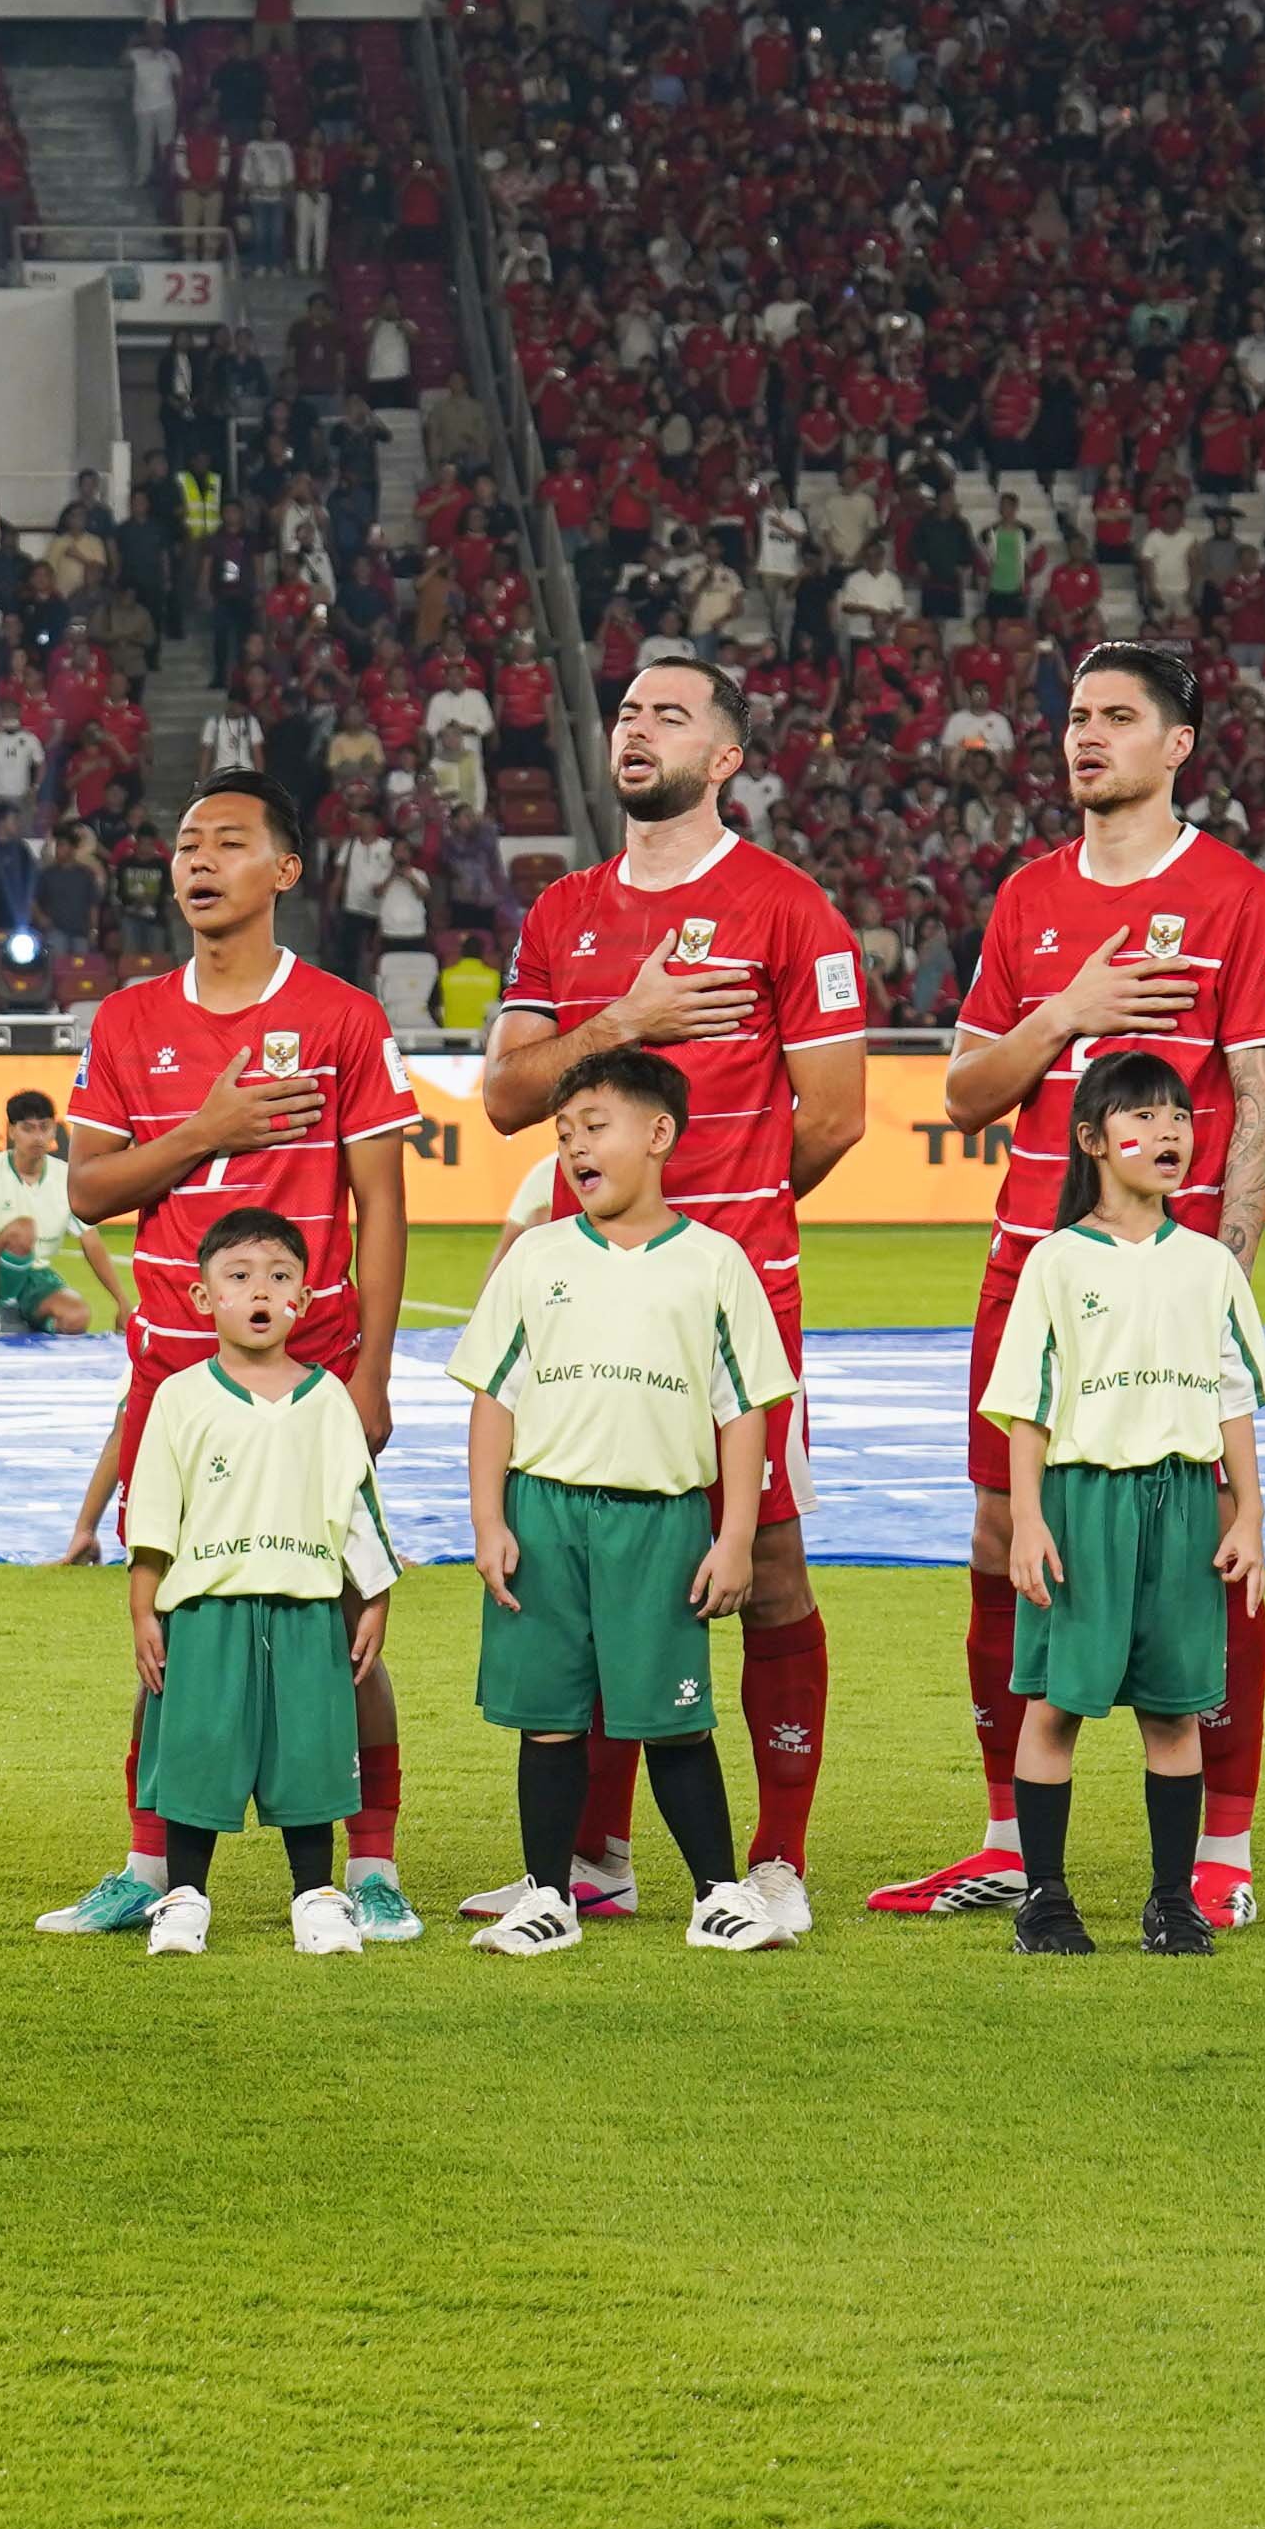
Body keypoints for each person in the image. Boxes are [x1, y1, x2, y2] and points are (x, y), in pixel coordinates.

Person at [879, 644, 1265, 1926]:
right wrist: (1065, 1011)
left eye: (1119, 717)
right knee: (1005, 1540)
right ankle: (1010, 1838)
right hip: (1030, 1271)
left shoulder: (1235, 896)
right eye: (1074, 717)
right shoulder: (1027, 902)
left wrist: (1220, 1277)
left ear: (1180, 746)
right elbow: (962, 1093)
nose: (1087, 737)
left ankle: (1218, 1855)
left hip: (1171, 1287)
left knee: (1203, 1544)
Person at [482, 647, 859, 1932]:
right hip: (585, 1304)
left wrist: (721, 1224)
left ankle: (778, 1859)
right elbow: (506, 1096)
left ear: (728, 756)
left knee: (770, 1579)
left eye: (671, 714)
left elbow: (839, 1119)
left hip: (729, 1300)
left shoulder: (789, 908)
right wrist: (623, 1022)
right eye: (628, 711)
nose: (638, 728)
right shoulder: (561, 911)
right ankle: (593, 1859)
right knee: (596, 1561)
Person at [42, 771, 424, 1938]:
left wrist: (372, 1375)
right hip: (173, 1376)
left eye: (227, 842)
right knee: (167, 1612)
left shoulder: (347, 1017)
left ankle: (371, 1864)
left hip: (312, 1374)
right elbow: (90, 1190)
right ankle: (151, 1865)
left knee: (343, 1609)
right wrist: (205, 1131)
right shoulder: (128, 1020)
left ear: (285, 871)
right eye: (185, 842)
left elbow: (383, 1206)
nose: (197, 860)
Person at [453, 1048, 795, 1961]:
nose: (573, 1147)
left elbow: (743, 1411)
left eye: (592, 1127)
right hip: (545, 1514)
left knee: (671, 1715)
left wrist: (733, 1540)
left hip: (660, 1523)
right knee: (550, 1718)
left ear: (658, 1135)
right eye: (562, 1134)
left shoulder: (715, 1264)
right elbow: (493, 1397)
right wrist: (489, 1521)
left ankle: (719, 1895)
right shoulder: (537, 1256)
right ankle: (548, 1895)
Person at [976, 1051, 1265, 1963]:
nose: (1168, 1135)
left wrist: (1248, 1515)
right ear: (1092, 1141)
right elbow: (1025, 1404)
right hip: (1081, 1503)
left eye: (1179, 1118)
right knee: (1055, 1707)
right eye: (1142, 1119)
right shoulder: (1058, 1261)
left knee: (1172, 1711)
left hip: (1181, 1503)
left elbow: (1230, 1394)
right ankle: (1046, 1899)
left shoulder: (1208, 1264)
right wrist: (1027, 1520)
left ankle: (1170, 1903)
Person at [115, 1205, 402, 1963]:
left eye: (278, 1277)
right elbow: (153, 1511)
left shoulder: (327, 1398)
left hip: (306, 1610)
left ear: (302, 1301)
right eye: (238, 1277)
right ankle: (182, 1899)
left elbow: (357, 1506)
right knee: (198, 1753)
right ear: (203, 1298)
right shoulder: (180, 1397)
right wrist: (144, 1605)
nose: (259, 1291)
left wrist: (373, 1596)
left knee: (308, 1756)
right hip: (205, 1613)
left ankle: (315, 1895)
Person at [0, 1088, 100, 1337]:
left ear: (54, 1130)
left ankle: (28, 1326)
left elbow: (92, 1243)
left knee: (76, 1318)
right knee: (23, 1229)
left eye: (44, 1127)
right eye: (28, 1128)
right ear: (11, 1130)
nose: (38, 1137)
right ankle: (5, 1310)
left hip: (37, 1279)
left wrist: (122, 1303)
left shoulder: (65, 1177)